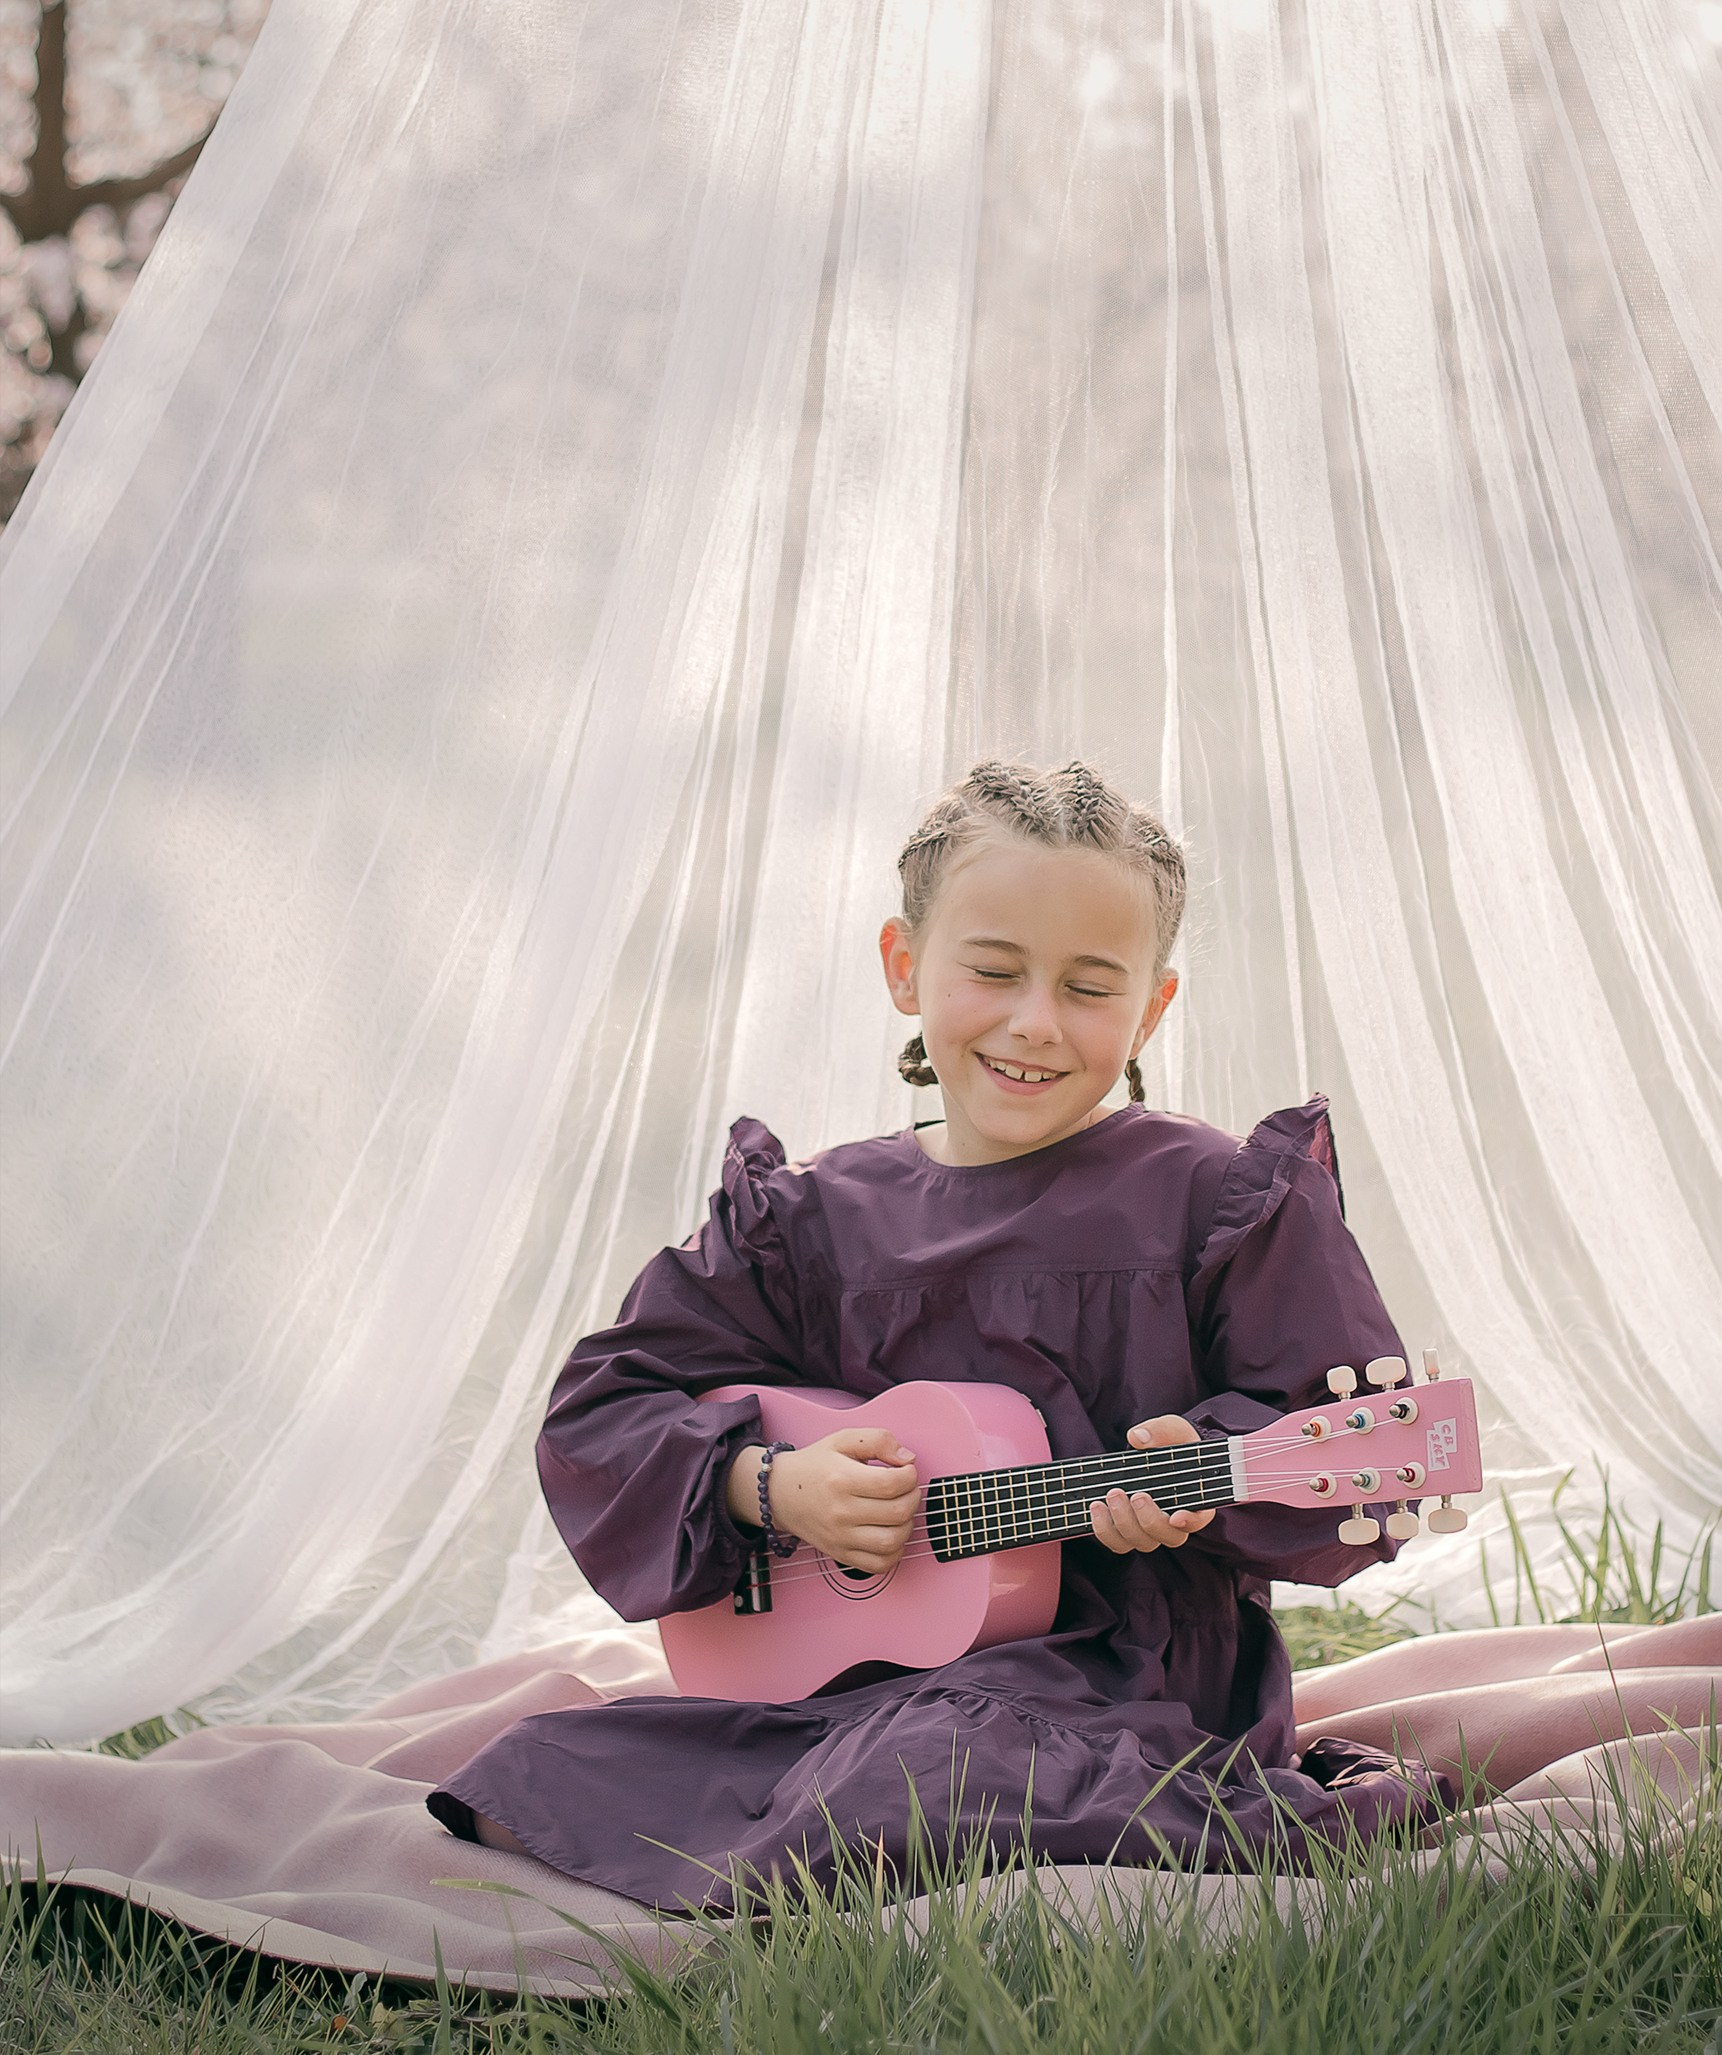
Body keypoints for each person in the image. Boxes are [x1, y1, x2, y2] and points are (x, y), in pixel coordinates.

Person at [428, 758, 1435, 1908]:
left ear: (1153, 1003)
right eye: (993, 971)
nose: (1033, 1023)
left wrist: (1205, 1473)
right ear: (905, 968)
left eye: (1089, 988)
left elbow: (1339, 1445)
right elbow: (602, 1413)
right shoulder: (806, 1219)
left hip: (1119, 1681)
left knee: (933, 1773)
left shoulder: (1218, 1202)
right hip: (846, 1682)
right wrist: (770, 1486)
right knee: (535, 1774)